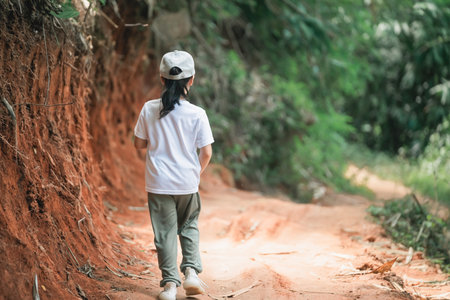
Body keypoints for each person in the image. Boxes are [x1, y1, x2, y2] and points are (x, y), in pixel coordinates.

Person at [134, 50, 214, 300]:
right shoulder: (197, 113)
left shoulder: (149, 109)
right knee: (189, 226)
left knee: (165, 233)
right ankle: (190, 272)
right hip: (187, 183)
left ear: (161, 79)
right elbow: (207, 152)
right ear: (191, 80)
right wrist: (195, 174)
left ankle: (169, 286)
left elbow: (139, 144)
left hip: (158, 183)